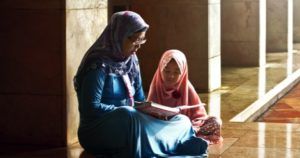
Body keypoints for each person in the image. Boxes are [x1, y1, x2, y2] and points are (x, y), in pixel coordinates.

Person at [73, 11, 208, 158]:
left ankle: (172, 142)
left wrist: (154, 112)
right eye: (135, 40)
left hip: (132, 121)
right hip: (98, 129)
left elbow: (139, 98)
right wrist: (126, 110)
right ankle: (171, 144)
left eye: (141, 41)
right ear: (119, 35)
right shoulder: (98, 64)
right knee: (128, 115)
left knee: (181, 120)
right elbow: (90, 108)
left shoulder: (131, 61)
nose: (138, 47)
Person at [147, 49, 223, 144]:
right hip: (161, 127)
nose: (171, 76)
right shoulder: (156, 86)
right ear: (160, 69)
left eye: (176, 72)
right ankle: (182, 138)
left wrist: (192, 124)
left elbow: (200, 115)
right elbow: (149, 115)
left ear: (183, 73)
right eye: (167, 71)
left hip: (183, 127)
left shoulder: (186, 87)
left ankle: (181, 137)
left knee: (215, 121)